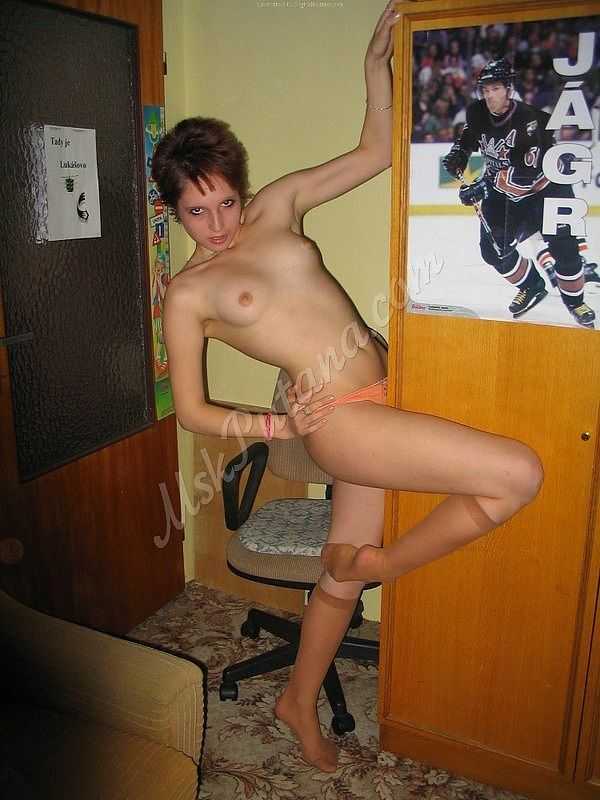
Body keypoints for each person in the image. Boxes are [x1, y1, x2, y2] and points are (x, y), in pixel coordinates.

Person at [152, 4, 543, 774]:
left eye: (226, 200)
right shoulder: (187, 295)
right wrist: (278, 427)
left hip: (384, 385)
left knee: (335, 573)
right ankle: (383, 568)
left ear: (241, 186)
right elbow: (193, 411)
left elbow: (376, 152)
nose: (219, 223)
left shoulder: (277, 205)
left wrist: (374, 67)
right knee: (516, 475)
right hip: (339, 422)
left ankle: (297, 703)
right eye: (197, 211)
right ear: (174, 210)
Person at [443, 58, 596, 329]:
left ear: (509, 89)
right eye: (485, 90)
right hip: (503, 193)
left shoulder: (531, 121)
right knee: (493, 251)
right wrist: (460, 153)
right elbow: (469, 135)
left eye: (495, 89)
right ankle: (532, 285)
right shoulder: (478, 112)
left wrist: (482, 187)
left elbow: (524, 176)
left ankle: (575, 302)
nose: (489, 95)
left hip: (547, 190)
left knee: (566, 251)